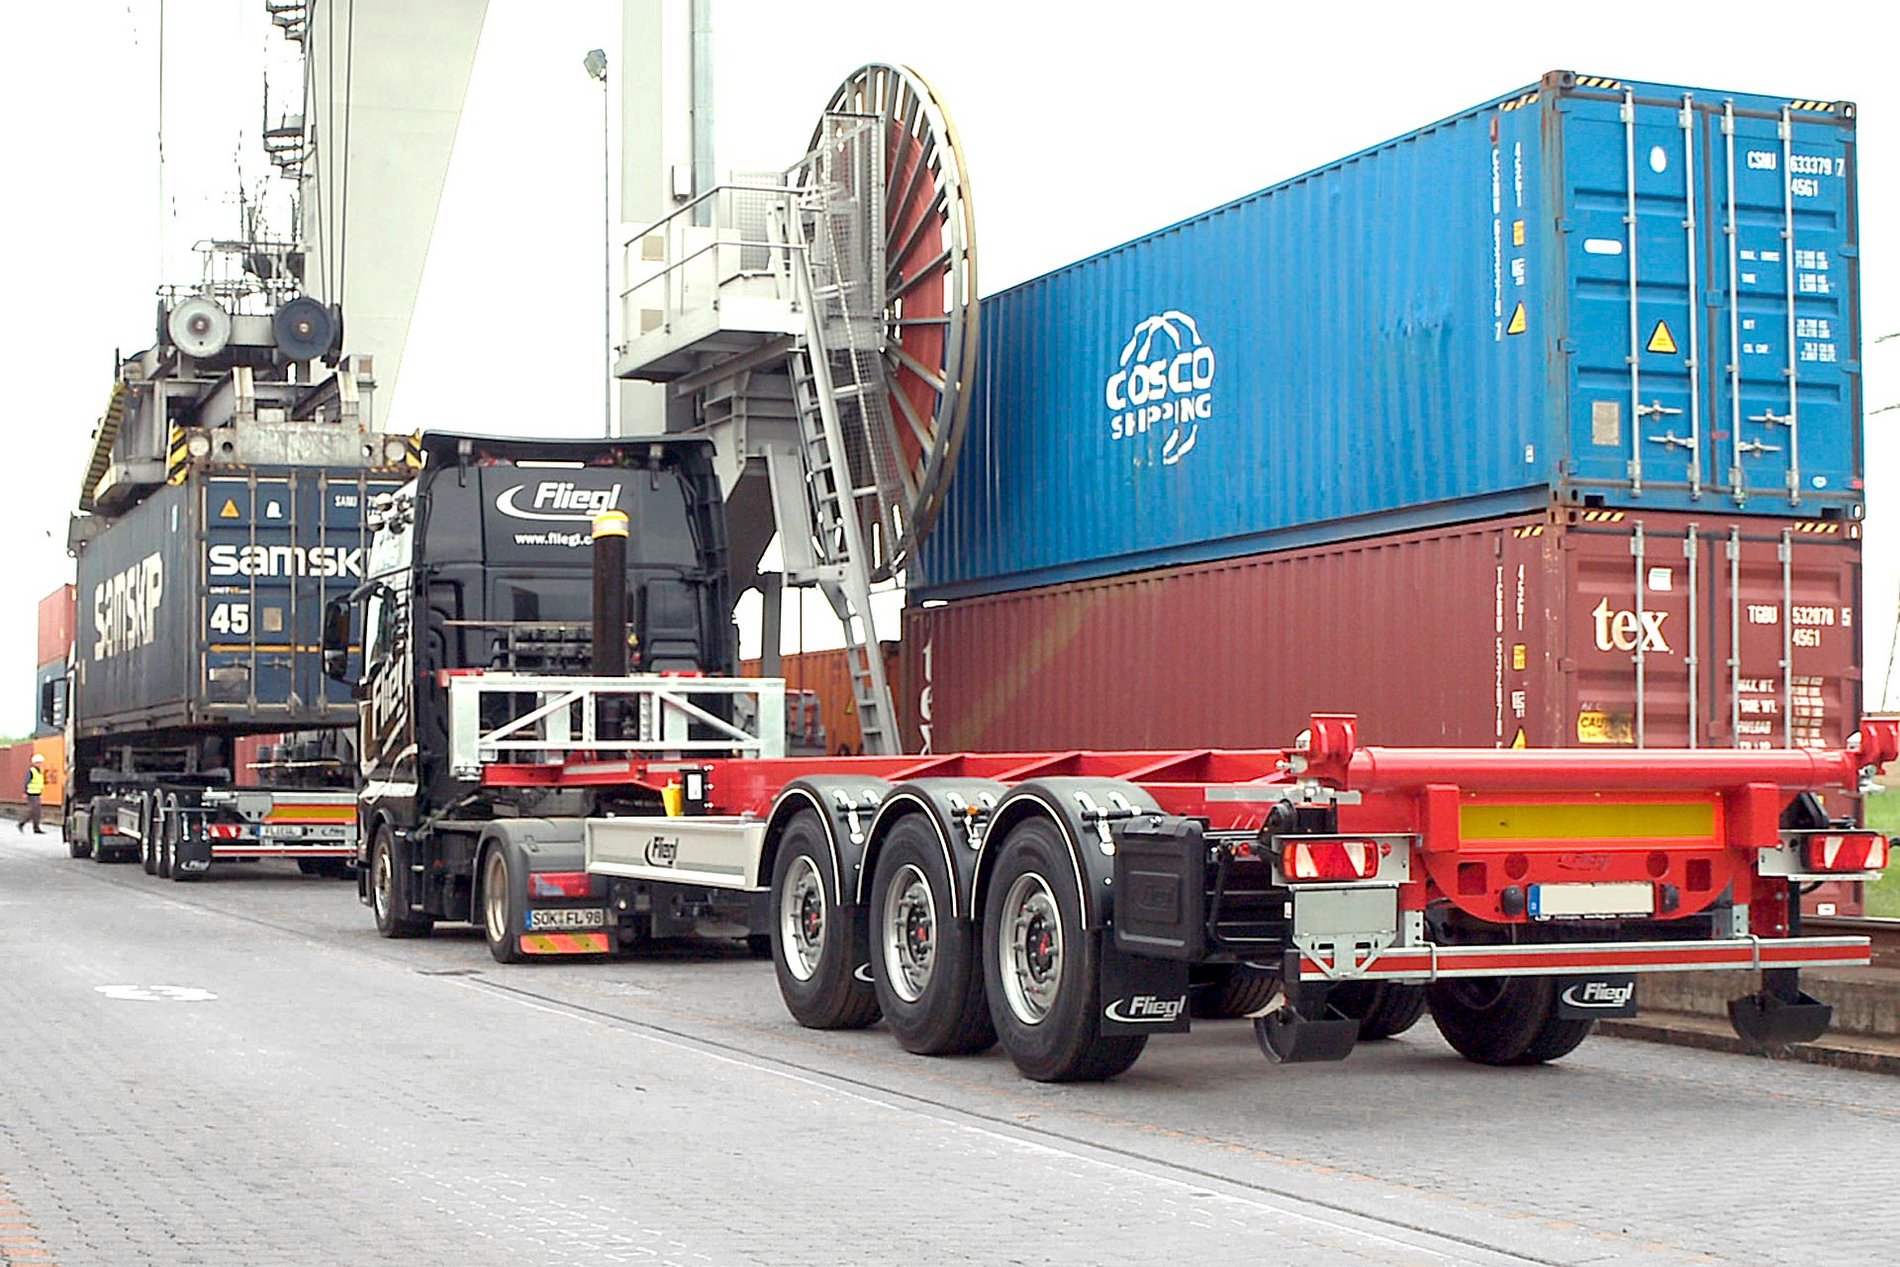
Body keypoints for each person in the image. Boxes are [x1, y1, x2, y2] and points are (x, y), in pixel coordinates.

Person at [21, 754, 47, 834]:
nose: (39, 764)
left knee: (37, 811)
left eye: (40, 763)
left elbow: (40, 783)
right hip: (31, 793)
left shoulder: (40, 771)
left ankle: (36, 828)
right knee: (33, 810)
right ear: (34, 763)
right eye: (38, 763)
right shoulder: (32, 771)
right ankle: (22, 823)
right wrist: (25, 792)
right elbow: (27, 781)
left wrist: (41, 793)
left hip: (37, 793)